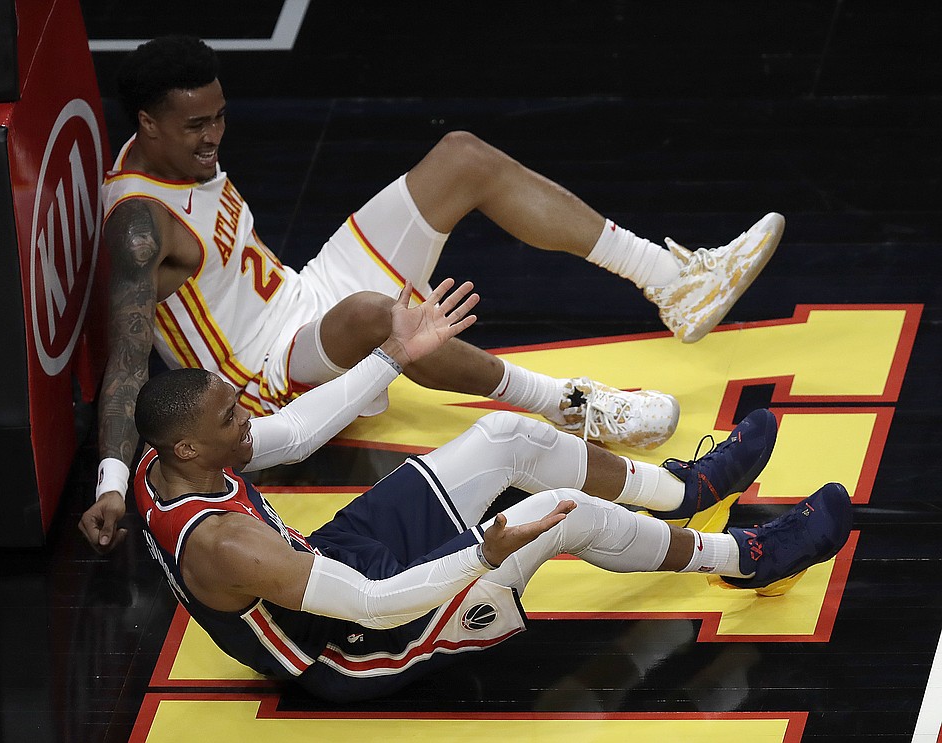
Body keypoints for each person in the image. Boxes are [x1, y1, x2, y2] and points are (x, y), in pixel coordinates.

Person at [81, 34, 785, 553]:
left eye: (220, 118)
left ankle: (675, 286)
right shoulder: (139, 227)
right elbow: (126, 363)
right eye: (196, 126)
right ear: (147, 124)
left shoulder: (179, 148)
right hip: (260, 379)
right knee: (372, 317)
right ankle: (576, 406)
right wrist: (112, 481)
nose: (213, 138)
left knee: (461, 157)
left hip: (302, 295)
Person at [131, 281, 851, 702]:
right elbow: (374, 603)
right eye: (231, 416)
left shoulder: (163, 464)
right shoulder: (226, 545)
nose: (246, 418)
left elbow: (289, 433)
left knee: (511, 439)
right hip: (352, 645)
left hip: (327, 564)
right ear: (191, 446)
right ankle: (746, 555)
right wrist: (482, 551)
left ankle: (678, 489)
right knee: (550, 517)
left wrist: (393, 356)